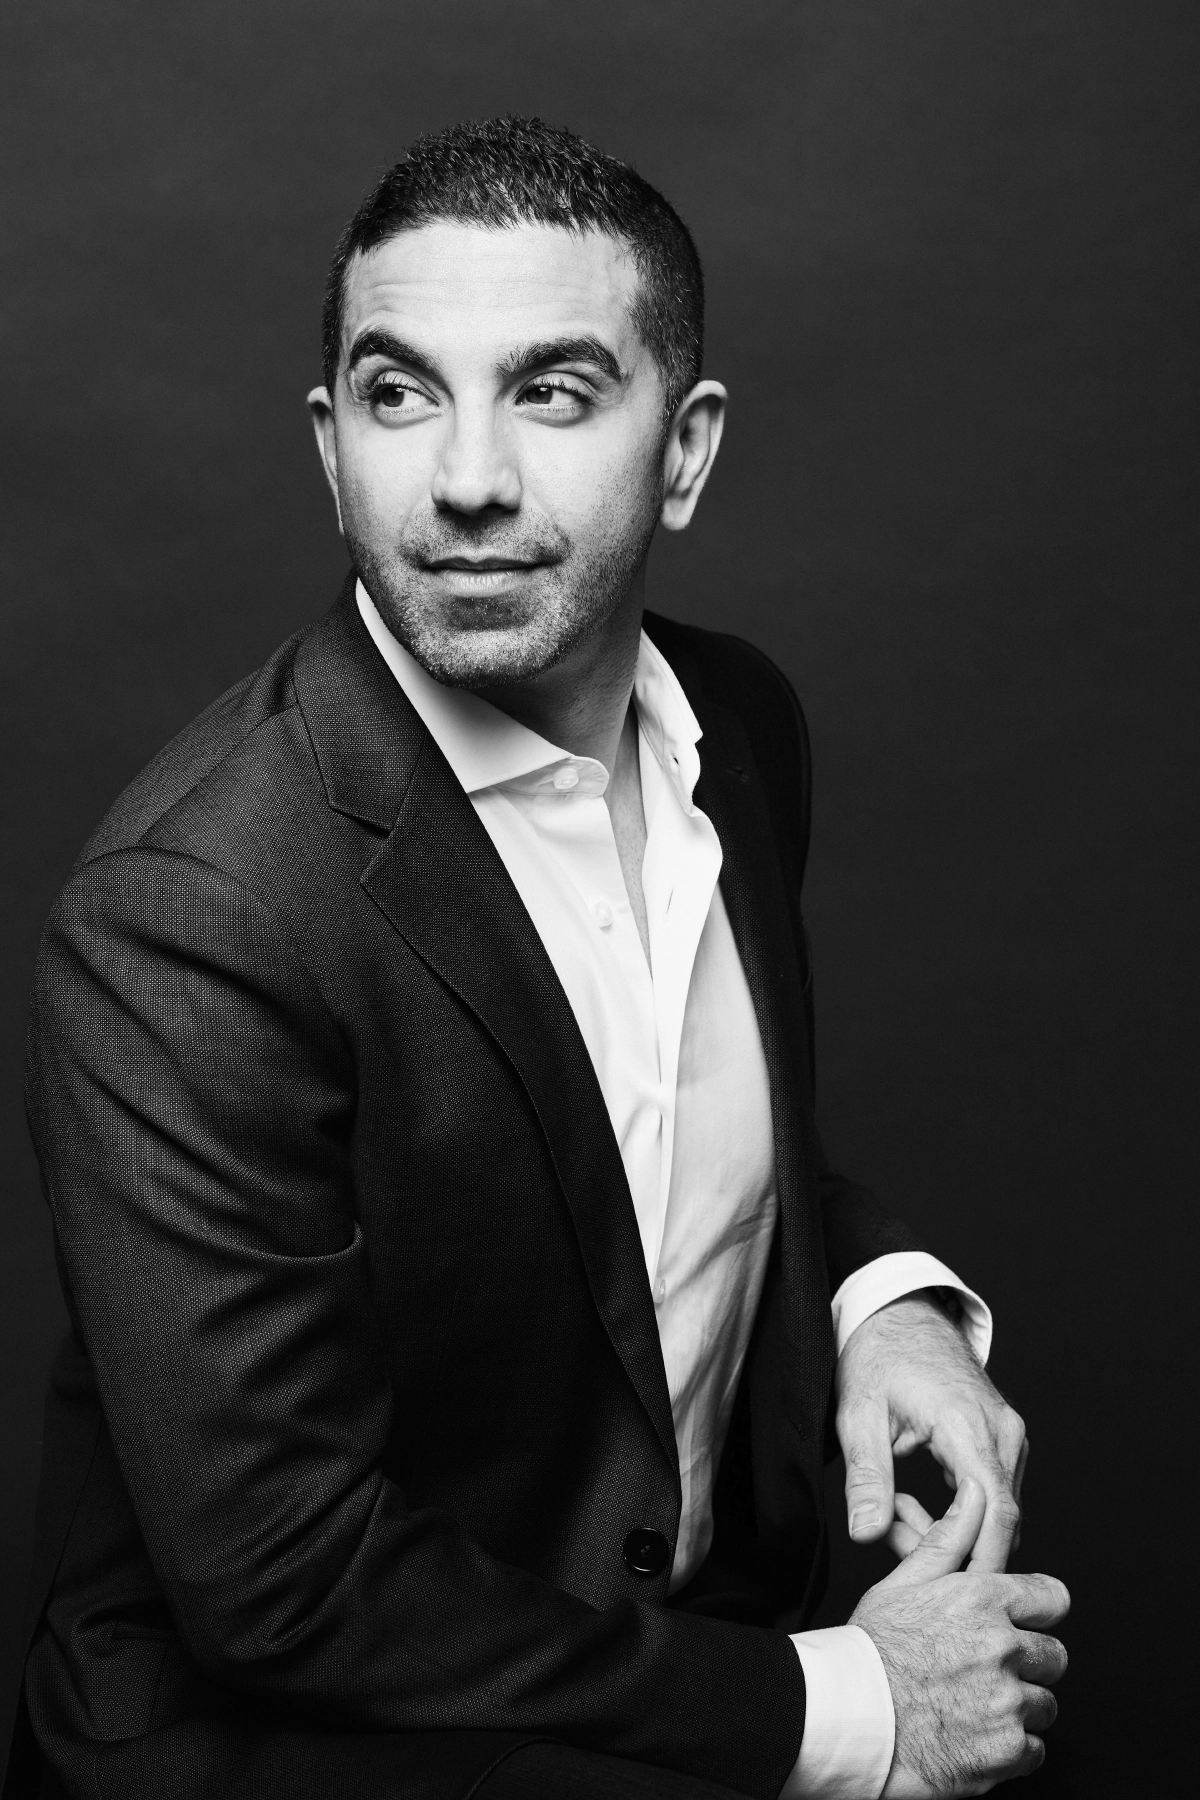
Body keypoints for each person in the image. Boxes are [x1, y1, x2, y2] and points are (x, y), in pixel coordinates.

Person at [6, 117, 1068, 1800]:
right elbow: (287, 1582)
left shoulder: (741, 727)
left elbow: (650, 1147)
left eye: (553, 391)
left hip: (654, 1658)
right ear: (329, 445)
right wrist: (849, 1713)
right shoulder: (191, 913)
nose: (467, 477)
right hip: (310, 1745)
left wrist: (885, 1306)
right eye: (398, 391)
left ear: (688, 450)